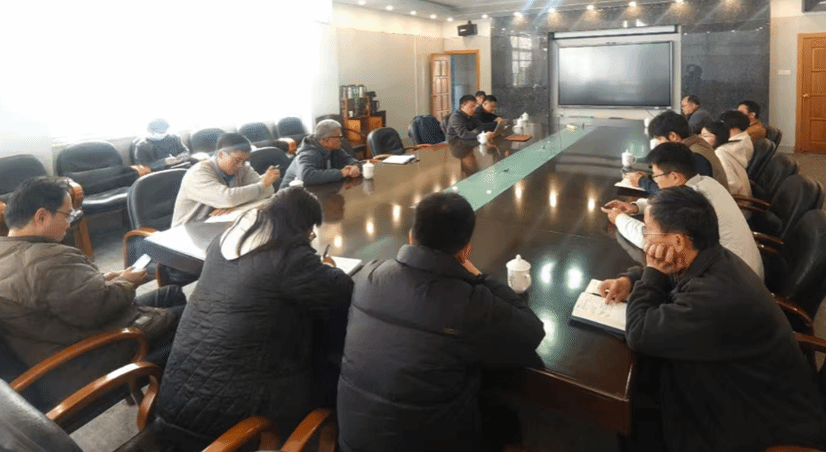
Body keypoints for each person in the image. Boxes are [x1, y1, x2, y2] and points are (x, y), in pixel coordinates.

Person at [598, 186, 826, 452]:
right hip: (739, 383)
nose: (646, 239)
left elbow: (639, 332)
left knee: (636, 404)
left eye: (649, 231)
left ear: (678, 242)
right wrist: (631, 279)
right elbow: (672, 275)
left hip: (757, 417)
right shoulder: (709, 256)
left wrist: (651, 272)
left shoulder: (716, 294)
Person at [337, 192, 545, 452]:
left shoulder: (369, 274)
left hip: (352, 444)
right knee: (506, 419)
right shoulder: (469, 302)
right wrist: (479, 276)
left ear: (411, 237)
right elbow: (531, 331)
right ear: (465, 251)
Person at [156, 187, 354, 449]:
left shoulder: (223, 241)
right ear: (300, 226)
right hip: (232, 424)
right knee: (333, 358)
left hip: (174, 403)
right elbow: (341, 293)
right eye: (310, 232)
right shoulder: (288, 256)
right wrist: (327, 268)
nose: (310, 238)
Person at [0, 177, 185, 406]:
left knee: (170, 294)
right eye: (67, 215)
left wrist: (101, 280)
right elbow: (100, 308)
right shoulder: (49, 259)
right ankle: (177, 401)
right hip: (86, 359)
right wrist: (127, 282)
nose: (69, 224)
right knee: (194, 318)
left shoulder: (9, 251)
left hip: (51, 346)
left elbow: (55, 293)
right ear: (42, 216)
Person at [601, 142, 763, 279]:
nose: (656, 182)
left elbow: (652, 240)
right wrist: (637, 206)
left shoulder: (692, 201)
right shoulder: (706, 182)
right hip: (746, 272)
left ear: (675, 177)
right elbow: (667, 204)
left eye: (656, 176)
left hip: (728, 285)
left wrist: (619, 218)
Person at [171, 133, 280, 227]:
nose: (240, 166)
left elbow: (268, 191)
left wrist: (235, 204)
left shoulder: (244, 167)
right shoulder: (198, 173)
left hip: (220, 224)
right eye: (237, 160)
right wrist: (261, 186)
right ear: (221, 154)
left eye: (245, 161)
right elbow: (227, 198)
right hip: (188, 230)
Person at [628, 110, 728, 194]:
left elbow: (676, 196)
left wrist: (642, 182)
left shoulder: (694, 155)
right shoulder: (695, 142)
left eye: (659, 139)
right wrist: (654, 177)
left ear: (672, 136)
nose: (658, 143)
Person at [279, 119, 362, 188]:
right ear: (325, 140)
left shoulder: (334, 148)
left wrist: (355, 167)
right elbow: (306, 176)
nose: (341, 139)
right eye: (338, 136)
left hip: (317, 192)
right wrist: (341, 173)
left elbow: (352, 161)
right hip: (289, 198)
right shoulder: (307, 153)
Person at [703, 120, 751, 197]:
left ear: (718, 136)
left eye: (705, 136)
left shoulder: (720, 154)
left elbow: (733, 185)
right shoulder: (728, 149)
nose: (701, 139)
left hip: (737, 201)